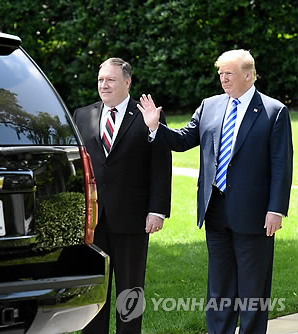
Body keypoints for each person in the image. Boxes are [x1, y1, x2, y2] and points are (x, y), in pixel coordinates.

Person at [138, 49, 293, 334]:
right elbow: (184, 139)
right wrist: (156, 127)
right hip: (215, 210)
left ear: (249, 75)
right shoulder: (210, 105)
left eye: (229, 73)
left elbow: (281, 165)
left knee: (253, 288)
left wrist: (276, 209)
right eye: (220, 73)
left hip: (255, 214)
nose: (223, 79)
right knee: (219, 286)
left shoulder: (274, 111)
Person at [73, 57, 172, 334]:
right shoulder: (82, 115)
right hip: (93, 220)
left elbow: (161, 165)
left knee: (130, 290)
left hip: (133, 218)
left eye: (110, 80)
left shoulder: (147, 115)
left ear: (127, 82)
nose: (104, 85)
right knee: (94, 288)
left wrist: (157, 210)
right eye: (101, 80)